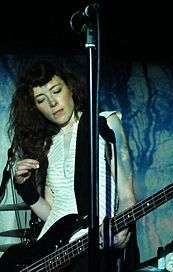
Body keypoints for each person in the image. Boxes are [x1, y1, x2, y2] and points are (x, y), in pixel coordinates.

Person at [3, 60, 140, 271]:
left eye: (56, 91)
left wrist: (120, 228)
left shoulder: (102, 123)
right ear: (35, 108)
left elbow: (127, 196)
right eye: (41, 99)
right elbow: (53, 216)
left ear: (70, 88)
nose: (52, 103)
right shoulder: (49, 145)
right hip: (54, 253)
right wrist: (24, 188)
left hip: (92, 245)